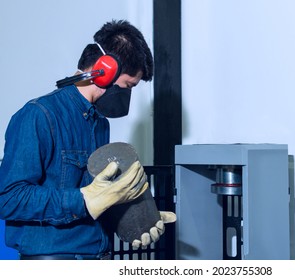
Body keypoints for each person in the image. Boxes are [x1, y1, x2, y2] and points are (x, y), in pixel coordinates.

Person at [0, 19, 175, 260]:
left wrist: (135, 215)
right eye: (127, 85)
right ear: (104, 70)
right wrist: (83, 200)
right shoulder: (38, 115)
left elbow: (96, 196)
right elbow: (9, 198)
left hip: (97, 256)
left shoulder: (99, 123)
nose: (127, 95)